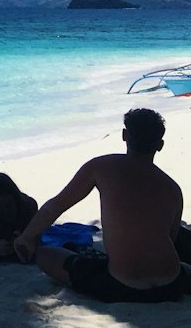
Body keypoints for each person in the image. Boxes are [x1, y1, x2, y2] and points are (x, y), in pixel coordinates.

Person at [14, 107, 187, 303]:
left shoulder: (101, 167)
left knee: (46, 255)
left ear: (124, 135)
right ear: (160, 145)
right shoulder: (173, 189)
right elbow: (170, 238)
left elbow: (55, 206)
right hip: (171, 284)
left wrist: (27, 237)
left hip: (121, 284)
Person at [0, 172, 38, 260]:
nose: (5, 210)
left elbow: (36, 241)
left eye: (8, 204)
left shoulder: (29, 206)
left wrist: (26, 238)